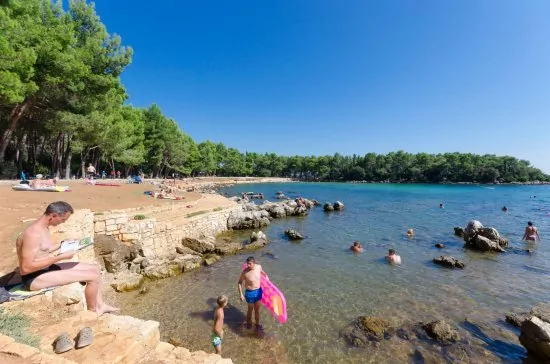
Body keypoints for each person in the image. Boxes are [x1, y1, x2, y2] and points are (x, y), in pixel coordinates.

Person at [16, 201, 118, 315]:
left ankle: (100, 305)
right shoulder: (33, 234)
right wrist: (60, 257)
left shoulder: (44, 228)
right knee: (93, 277)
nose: (63, 223)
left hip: (45, 268)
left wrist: (64, 244)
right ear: (53, 215)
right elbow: (26, 268)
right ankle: (92, 312)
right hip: (34, 277)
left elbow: (44, 249)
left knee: (95, 269)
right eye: (63, 219)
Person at [238, 256, 268, 329]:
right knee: (250, 310)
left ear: (254, 263)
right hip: (249, 293)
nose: (248, 265)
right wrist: (241, 294)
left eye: (250, 264)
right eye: (247, 263)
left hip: (258, 292)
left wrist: (266, 278)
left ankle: (257, 325)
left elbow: (263, 273)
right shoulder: (245, 272)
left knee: (257, 310)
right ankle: (249, 324)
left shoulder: (259, 267)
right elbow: (239, 283)